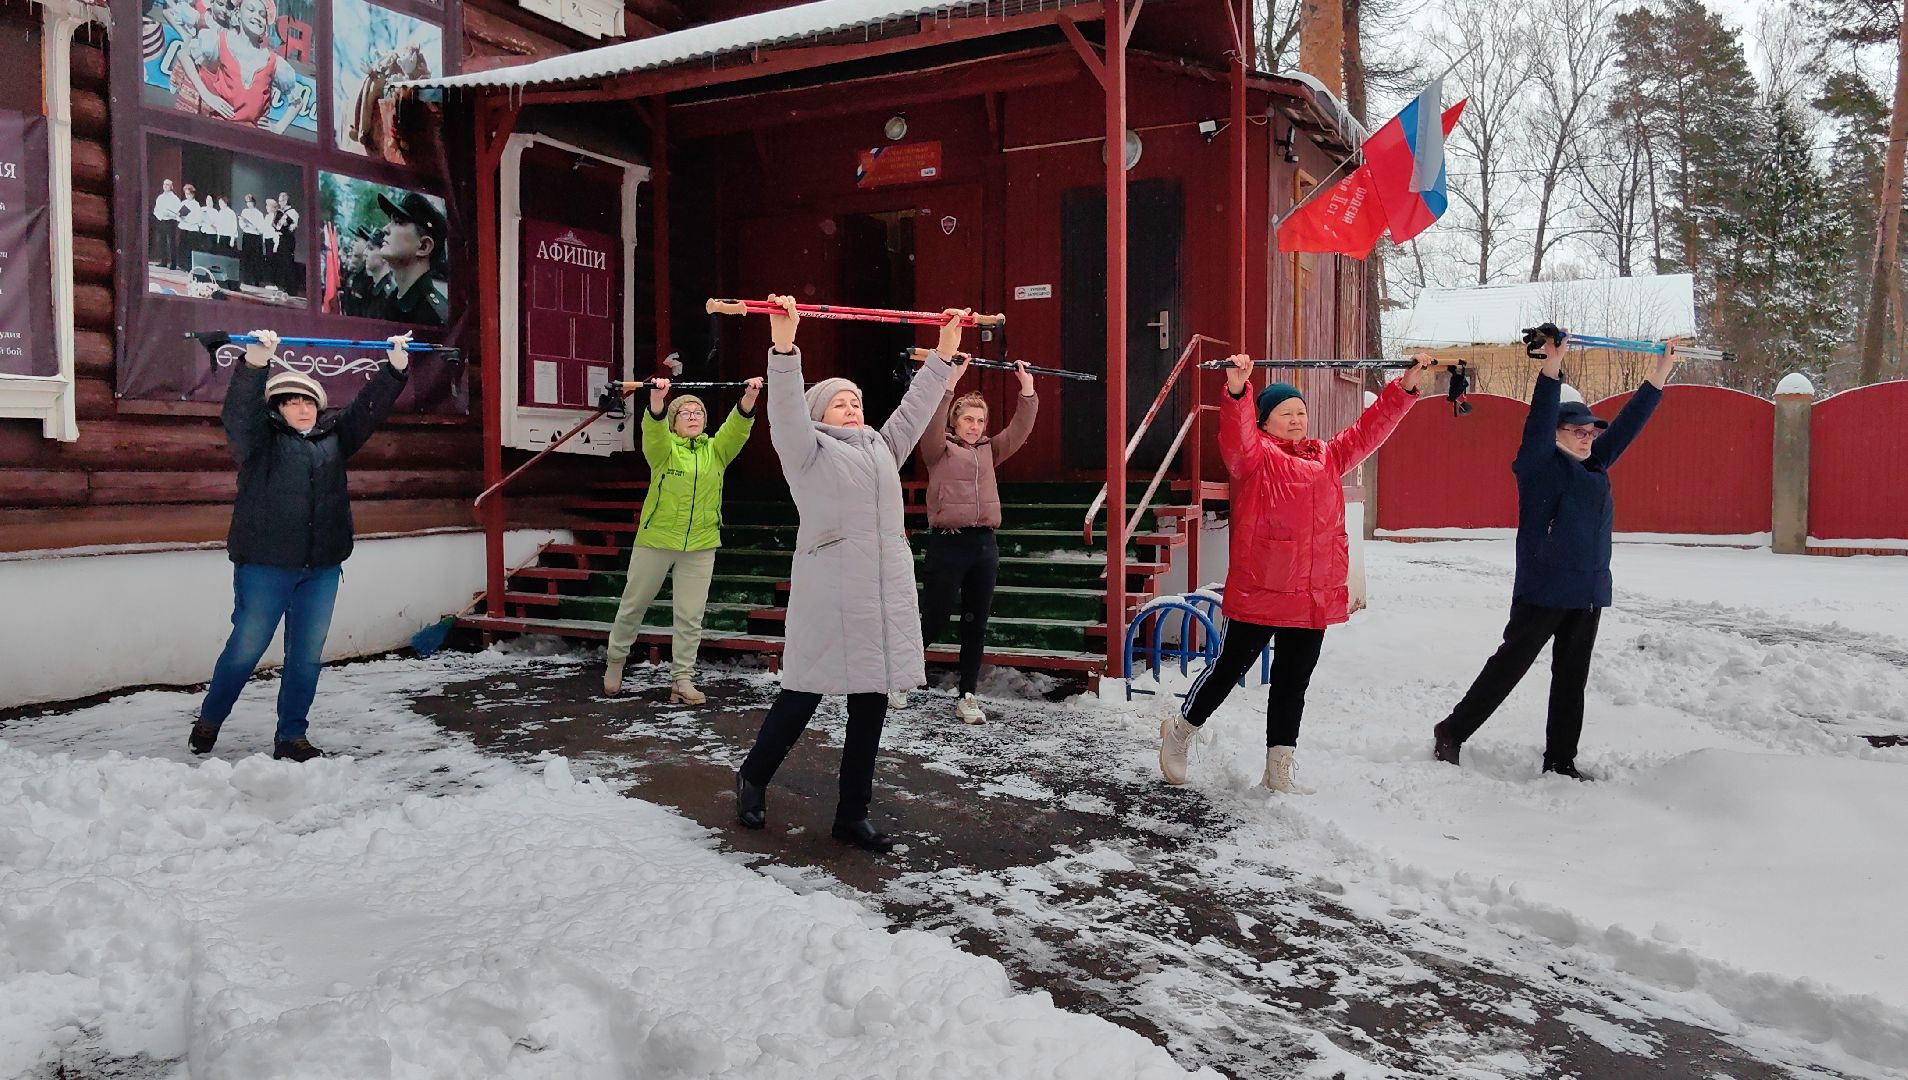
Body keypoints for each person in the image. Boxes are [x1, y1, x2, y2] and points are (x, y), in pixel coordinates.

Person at [734, 295, 958, 854]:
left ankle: (851, 814)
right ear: (818, 415)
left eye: (855, 400)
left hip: (880, 598)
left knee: (870, 707)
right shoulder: (805, 450)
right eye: (839, 402)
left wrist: (944, 357)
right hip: (829, 594)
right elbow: (784, 411)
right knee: (801, 695)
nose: (852, 407)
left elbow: (912, 411)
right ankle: (753, 777)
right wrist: (784, 349)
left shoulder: (883, 447)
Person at [1160, 352, 1433, 794]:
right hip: (1262, 586)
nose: (1295, 419)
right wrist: (1237, 390)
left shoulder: (1326, 456)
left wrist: (1403, 388)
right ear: (1264, 421)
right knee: (1230, 668)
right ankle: (1180, 730)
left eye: (1301, 412)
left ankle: (1278, 768)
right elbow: (1237, 435)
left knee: (1292, 684)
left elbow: (1369, 431)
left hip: (1313, 592)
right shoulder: (1253, 458)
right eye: (1285, 413)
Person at [1432, 330, 1674, 780]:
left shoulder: (1595, 463)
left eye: (1589, 431)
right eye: (1576, 431)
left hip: (1586, 593)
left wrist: (1659, 374)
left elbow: (1629, 424)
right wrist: (1551, 368)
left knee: (1571, 681)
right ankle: (1452, 729)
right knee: (1510, 666)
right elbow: (1538, 422)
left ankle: (1561, 760)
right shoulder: (1539, 465)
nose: (1586, 438)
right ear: (1556, 433)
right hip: (1544, 590)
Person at [188, 329, 412, 762]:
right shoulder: (259, 444)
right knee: (246, 648)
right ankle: (211, 719)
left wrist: (395, 369)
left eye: (309, 401)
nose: (302, 407)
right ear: (276, 409)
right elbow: (239, 415)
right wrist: (255, 365)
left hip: (321, 567)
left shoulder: (334, 440)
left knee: (305, 657)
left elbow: (367, 411)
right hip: (266, 566)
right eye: (292, 401)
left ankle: (291, 737)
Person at [602, 374, 763, 705]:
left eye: (698, 412)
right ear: (674, 422)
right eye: (685, 412)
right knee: (634, 605)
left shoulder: (715, 452)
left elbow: (737, 430)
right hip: (657, 539)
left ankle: (682, 680)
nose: (693, 417)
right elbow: (654, 431)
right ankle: (616, 661)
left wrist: (748, 399)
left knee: (690, 616)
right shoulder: (663, 451)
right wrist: (658, 402)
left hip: (701, 544)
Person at [908, 355, 1038, 724]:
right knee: (933, 617)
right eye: (968, 419)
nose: (974, 426)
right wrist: (949, 384)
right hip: (948, 544)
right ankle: (899, 680)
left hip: (984, 546)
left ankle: (968, 695)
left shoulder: (989, 450)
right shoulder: (938, 450)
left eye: (980, 421)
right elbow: (931, 423)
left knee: (974, 622)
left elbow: (1020, 430)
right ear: (955, 420)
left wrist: (1027, 391)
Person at [178, 0, 299, 133]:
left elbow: (296, 101)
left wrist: (279, 127)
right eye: (251, 10)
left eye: (262, 14)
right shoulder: (219, 41)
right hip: (215, 132)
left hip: (250, 141)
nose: (257, 17)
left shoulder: (274, 62)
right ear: (238, 13)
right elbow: (184, 54)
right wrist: (206, 95)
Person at [372, 192, 446, 326]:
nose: (385, 229)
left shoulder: (433, 317)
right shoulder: (392, 301)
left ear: (424, 246)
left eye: (398, 222)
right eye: (391, 221)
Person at [272, 190, 300, 293]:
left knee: (288, 263)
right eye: (279, 201)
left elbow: (292, 228)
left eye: (281, 201)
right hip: (281, 239)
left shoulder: (293, 213)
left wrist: (286, 225)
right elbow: (276, 225)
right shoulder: (280, 212)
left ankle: (291, 289)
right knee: (281, 263)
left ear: (286, 201)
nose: (279, 203)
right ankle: (283, 286)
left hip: (288, 240)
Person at [151, 179, 182, 269]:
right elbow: (156, 210)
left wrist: (170, 214)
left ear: (171, 187)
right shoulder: (160, 197)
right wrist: (160, 215)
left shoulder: (175, 198)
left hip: (170, 221)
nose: (165, 186)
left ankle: (173, 263)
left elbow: (178, 211)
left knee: (171, 242)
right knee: (162, 242)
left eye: (167, 185)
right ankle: (163, 262)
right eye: (164, 184)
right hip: (161, 220)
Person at [238, 193, 268, 286]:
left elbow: (260, 228)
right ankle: (246, 279)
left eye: (250, 202)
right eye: (247, 202)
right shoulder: (244, 211)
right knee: (246, 258)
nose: (248, 204)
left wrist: (253, 226)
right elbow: (242, 224)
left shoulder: (259, 213)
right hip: (247, 235)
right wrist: (245, 224)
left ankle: (255, 280)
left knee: (255, 259)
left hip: (255, 237)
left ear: (253, 202)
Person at [175, 183, 203, 267]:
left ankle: (190, 266)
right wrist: (180, 217)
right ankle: (182, 264)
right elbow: (177, 216)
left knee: (190, 249)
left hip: (192, 229)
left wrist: (188, 220)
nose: (187, 196)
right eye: (186, 194)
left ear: (192, 194)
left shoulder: (196, 205)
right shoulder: (183, 203)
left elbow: (198, 219)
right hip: (184, 228)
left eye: (189, 194)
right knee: (183, 247)